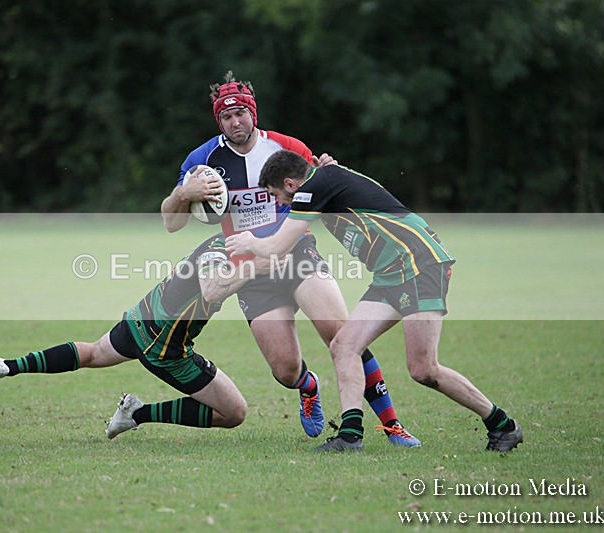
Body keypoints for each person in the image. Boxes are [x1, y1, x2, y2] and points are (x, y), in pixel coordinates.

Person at [160, 71, 419, 446]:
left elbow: (326, 186)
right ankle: (307, 385)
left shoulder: (286, 148)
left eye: (241, 114)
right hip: (248, 269)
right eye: (226, 117)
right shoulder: (203, 159)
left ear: (253, 113)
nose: (235, 122)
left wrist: (329, 169)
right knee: (284, 370)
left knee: (343, 336)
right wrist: (185, 192)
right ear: (219, 120)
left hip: (297, 254)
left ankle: (392, 424)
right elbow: (170, 221)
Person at [226, 150, 524, 453]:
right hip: (391, 273)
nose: (278, 203)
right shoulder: (323, 181)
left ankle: (503, 426)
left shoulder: (312, 187)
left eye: (276, 194)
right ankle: (350, 435)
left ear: (291, 184)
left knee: (424, 369)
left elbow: (277, 247)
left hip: (418, 265)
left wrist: (250, 241)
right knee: (344, 345)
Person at [0, 234, 267, 439]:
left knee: (92, 353)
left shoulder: (225, 241)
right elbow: (212, 290)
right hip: (163, 347)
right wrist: (256, 267)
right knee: (234, 412)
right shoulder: (221, 249)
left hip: (140, 319)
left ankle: (8, 365)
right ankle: (138, 414)